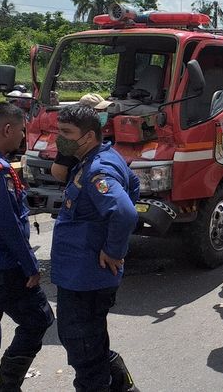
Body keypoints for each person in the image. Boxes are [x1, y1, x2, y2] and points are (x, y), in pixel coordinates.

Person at [51, 104, 141, 391]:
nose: (59, 138)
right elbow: (134, 183)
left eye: (66, 133)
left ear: (88, 136)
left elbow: (125, 211)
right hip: (79, 274)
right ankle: (122, 385)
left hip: (85, 277)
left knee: (85, 354)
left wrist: (114, 249)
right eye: (59, 131)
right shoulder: (93, 159)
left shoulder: (97, 168)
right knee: (90, 343)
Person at [0, 102, 55, 392]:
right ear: (7, 129)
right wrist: (30, 266)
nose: (22, 137)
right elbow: (10, 228)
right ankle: (8, 385)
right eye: (21, 131)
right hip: (2, 267)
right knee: (39, 319)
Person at [51, 93, 112, 184]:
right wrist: (77, 185)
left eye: (104, 110)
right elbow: (58, 171)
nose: (103, 113)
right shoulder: (73, 140)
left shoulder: (105, 134)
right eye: (99, 110)